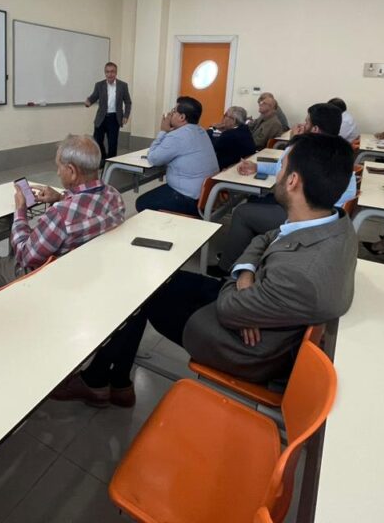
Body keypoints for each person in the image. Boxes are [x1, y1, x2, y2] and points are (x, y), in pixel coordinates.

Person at [52, 133, 357, 407]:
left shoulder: (303, 274)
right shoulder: (330, 223)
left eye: (282, 168)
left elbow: (229, 308)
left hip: (242, 346)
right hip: (255, 310)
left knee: (139, 294)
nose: (276, 175)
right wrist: (247, 279)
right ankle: (116, 383)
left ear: (293, 181)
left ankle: (99, 381)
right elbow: (265, 238)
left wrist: (244, 299)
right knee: (156, 281)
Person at [0, 135, 125, 306]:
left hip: (40, 275)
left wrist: (20, 210)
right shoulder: (114, 196)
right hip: (83, 270)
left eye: (59, 167)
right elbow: (85, 207)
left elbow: (24, 256)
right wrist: (61, 197)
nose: (57, 172)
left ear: (71, 171)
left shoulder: (60, 215)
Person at [216, 103, 356, 273]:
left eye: (307, 122)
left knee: (242, 212)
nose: (303, 124)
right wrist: (258, 167)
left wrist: (293, 143)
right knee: (255, 201)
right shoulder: (339, 151)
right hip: (328, 216)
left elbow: (284, 174)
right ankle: (247, 255)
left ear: (315, 129)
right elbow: (283, 169)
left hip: (309, 218)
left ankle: (226, 269)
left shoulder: (309, 152)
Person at [135, 96, 219, 216]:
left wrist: (163, 131)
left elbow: (154, 158)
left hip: (189, 198)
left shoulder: (178, 136)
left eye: (173, 111)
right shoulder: (201, 131)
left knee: (142, 203)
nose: (170, 115)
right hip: (208, 196)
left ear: (182, 117)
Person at [84, 62, 131, 164]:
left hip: (114, 118)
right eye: (107, 72)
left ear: (116, 73)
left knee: (112, 143)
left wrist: (126, 116)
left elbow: (128, 102)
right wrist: (88, 102)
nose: (110, 74)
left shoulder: (123, 85)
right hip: (101, 117)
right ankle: (103, 159)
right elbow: (94, 97)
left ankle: (110, 164)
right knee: (97, 141)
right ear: (105, 73)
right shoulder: (99, 85)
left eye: (112, 72)